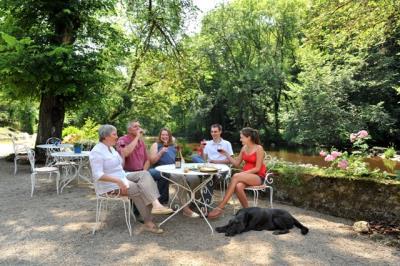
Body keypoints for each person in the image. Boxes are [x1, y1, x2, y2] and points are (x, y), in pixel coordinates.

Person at [89, 124, 173, 234]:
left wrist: (122, 157)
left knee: (144, 174)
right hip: (110, 184)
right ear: (105, 136)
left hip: (122, 176)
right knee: (138, 188)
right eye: (114, 134)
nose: (116, 136)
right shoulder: (97, 151)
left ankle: (156, 204)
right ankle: (148, 222)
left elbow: (119, 165)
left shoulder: (111, 149)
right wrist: (118, 181)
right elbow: (97, 175)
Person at [207, 127, 266, 219]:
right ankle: (248, 212)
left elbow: (257, 168)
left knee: (236, 176)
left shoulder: (259, 148)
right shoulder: (244, 148)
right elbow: (236, 163)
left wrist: (243, 173)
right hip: (246, 176)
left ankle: (221, 206)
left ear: (249, 137)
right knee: (238, 186)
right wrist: (226, 154)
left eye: (242, 137)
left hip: (258, 176)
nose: (240, 139)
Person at [148, 128, 200, 218]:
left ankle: (195, 200)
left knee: (194, 177)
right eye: (163, 135)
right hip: (164, 171)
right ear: (160, 136)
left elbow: (181, 159)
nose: (165, 136)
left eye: (167, 135)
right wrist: (161, 152)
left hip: (177, 169)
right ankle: (186, 209)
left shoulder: (174, 146)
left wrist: (182, 162)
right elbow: (152, 161)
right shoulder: (156, 145)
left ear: (170, 136)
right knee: (180, 178)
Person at [191, 124, 234, 208]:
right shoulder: (208, 143)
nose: (213, 133)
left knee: (210, 178)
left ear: (220, 132)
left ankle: (204, 205)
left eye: (215, 132)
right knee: (194, 157)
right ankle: (197, 200)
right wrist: (202, 149)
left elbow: (230, 161)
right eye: (212, 132)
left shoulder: (226, 144)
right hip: (208, 168)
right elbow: (204, 159)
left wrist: (215, 161)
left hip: (222, 170)